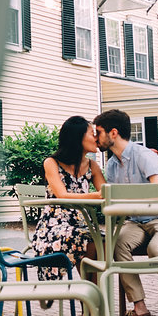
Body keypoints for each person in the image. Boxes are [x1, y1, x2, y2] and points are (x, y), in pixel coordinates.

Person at [92, 109, 158, 316]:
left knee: (156, 249)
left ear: (113, 133)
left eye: (98, 132)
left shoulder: (144, 155)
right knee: (116, 242)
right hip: (135, 221)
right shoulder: (111, 165)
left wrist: (127, 200)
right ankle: (140, 308)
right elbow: (115, 201)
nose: (95, 137)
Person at [30, 116, 107, 287]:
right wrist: (96, 196)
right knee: (86, 239)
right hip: (54, 224)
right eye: (92, 133)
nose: (96, 138)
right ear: (77, 137)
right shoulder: (51, 163)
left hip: (83, 223)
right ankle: (88, 299)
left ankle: (91, 296)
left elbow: (107, 193)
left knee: (102, 240)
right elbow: (62, 195)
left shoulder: (92, 166)